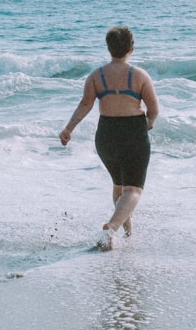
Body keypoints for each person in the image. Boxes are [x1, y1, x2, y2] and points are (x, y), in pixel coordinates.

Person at [60, 26, 159, 251]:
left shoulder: (97, 76)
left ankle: (126, 233)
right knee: (133, 190)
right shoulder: (140, 75)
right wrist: (150, 123)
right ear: (131, 49)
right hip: (133, 131)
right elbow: (153, 108)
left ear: (108, 48)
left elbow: (85, 105)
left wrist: (68, 129)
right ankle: (112, 227)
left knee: (119, 186)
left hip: (105, 135)